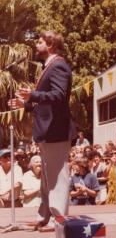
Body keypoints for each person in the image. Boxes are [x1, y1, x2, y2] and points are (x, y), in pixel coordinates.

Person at [9, 31, 76, 231]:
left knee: (57, 177)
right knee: (48, 178)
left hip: (56, 131)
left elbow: (59, 95)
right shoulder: (49, 66)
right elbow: (46, 104)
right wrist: (27, 103)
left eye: (39, 41)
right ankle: (44, 216)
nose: (36, 45)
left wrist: (33, 94)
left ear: (51, 44)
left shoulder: (58, 66)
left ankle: (59, 220)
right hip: (48, 131)